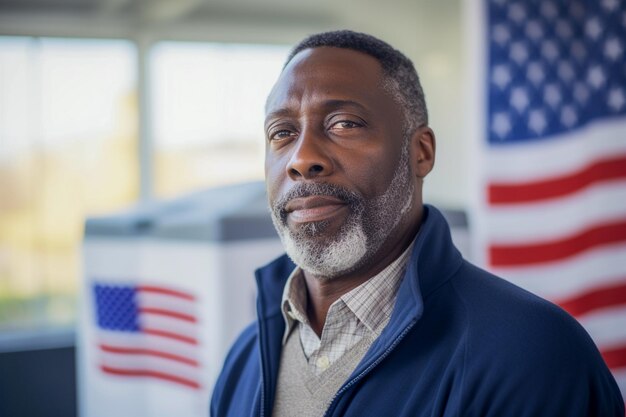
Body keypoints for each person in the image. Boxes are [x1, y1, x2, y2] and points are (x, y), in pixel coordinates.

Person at [210, 30, 624, 417]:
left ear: (421, 152)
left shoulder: (533, 353)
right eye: (282, 132)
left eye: (344, 124)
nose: (302, 159)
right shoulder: (245, 359)